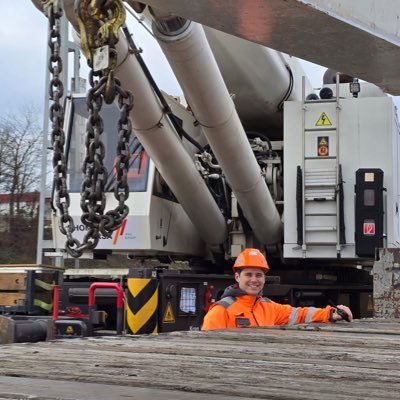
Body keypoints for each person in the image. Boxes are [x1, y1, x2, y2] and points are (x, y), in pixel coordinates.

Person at [202, 248, 353, 330]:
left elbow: (300, 314)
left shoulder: (269, 307)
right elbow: (203, 349)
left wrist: (331, 313)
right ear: (237, 277)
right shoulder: (221, 311)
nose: (254, 280)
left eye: (259, 275)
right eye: (248, 274)